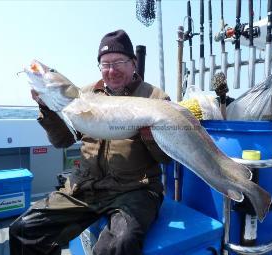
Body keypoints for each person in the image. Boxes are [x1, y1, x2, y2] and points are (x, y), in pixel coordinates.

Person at [9, 29, 170, 255]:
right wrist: (48, 108)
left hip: (135, 189)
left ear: (134, 63)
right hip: (84, 186)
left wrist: (150, 138)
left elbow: (166, 159)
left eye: (119, 62)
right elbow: (62, 141)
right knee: (23, 229)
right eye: (105, 64)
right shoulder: (83, 95)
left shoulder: (155, 99)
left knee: (120, 243)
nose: (111, 70)